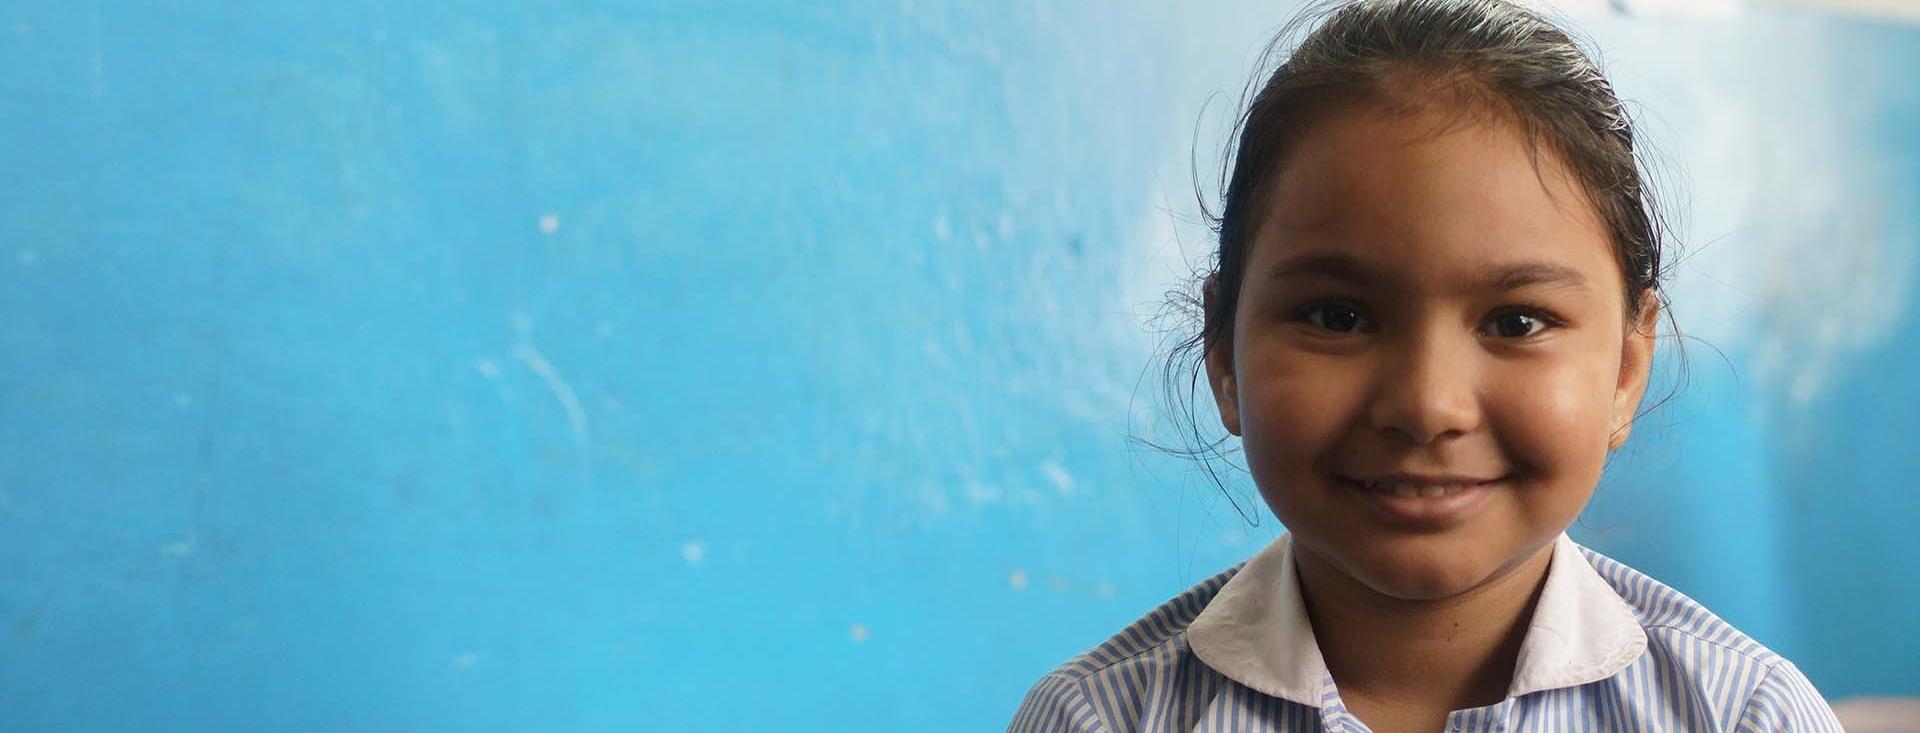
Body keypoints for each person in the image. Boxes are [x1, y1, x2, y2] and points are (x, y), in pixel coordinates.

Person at [1007, 1, 1844, 731]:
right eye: (1337, 316)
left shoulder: (1744, 713)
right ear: (1223, 348)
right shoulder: (1101, 717)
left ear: (1627, 369)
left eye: (1517, 321)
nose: (1426, 404)